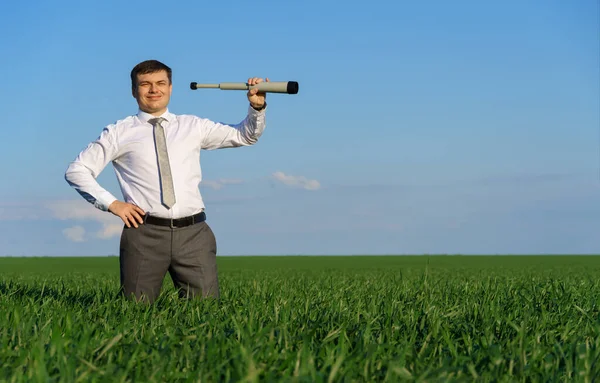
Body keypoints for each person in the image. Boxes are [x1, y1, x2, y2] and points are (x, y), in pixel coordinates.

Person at [64, 59, 268, 303]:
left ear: (170, 88)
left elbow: (245, 136)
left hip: (195, 235)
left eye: (161, 83)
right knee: (135, 313)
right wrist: (112, 204)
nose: (154, 90)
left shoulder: (193, 126)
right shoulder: (119, 132)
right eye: (145, 84)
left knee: (205, 314)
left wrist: (257, 108)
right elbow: (77, 170)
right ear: (133, 90)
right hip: (144, 235)